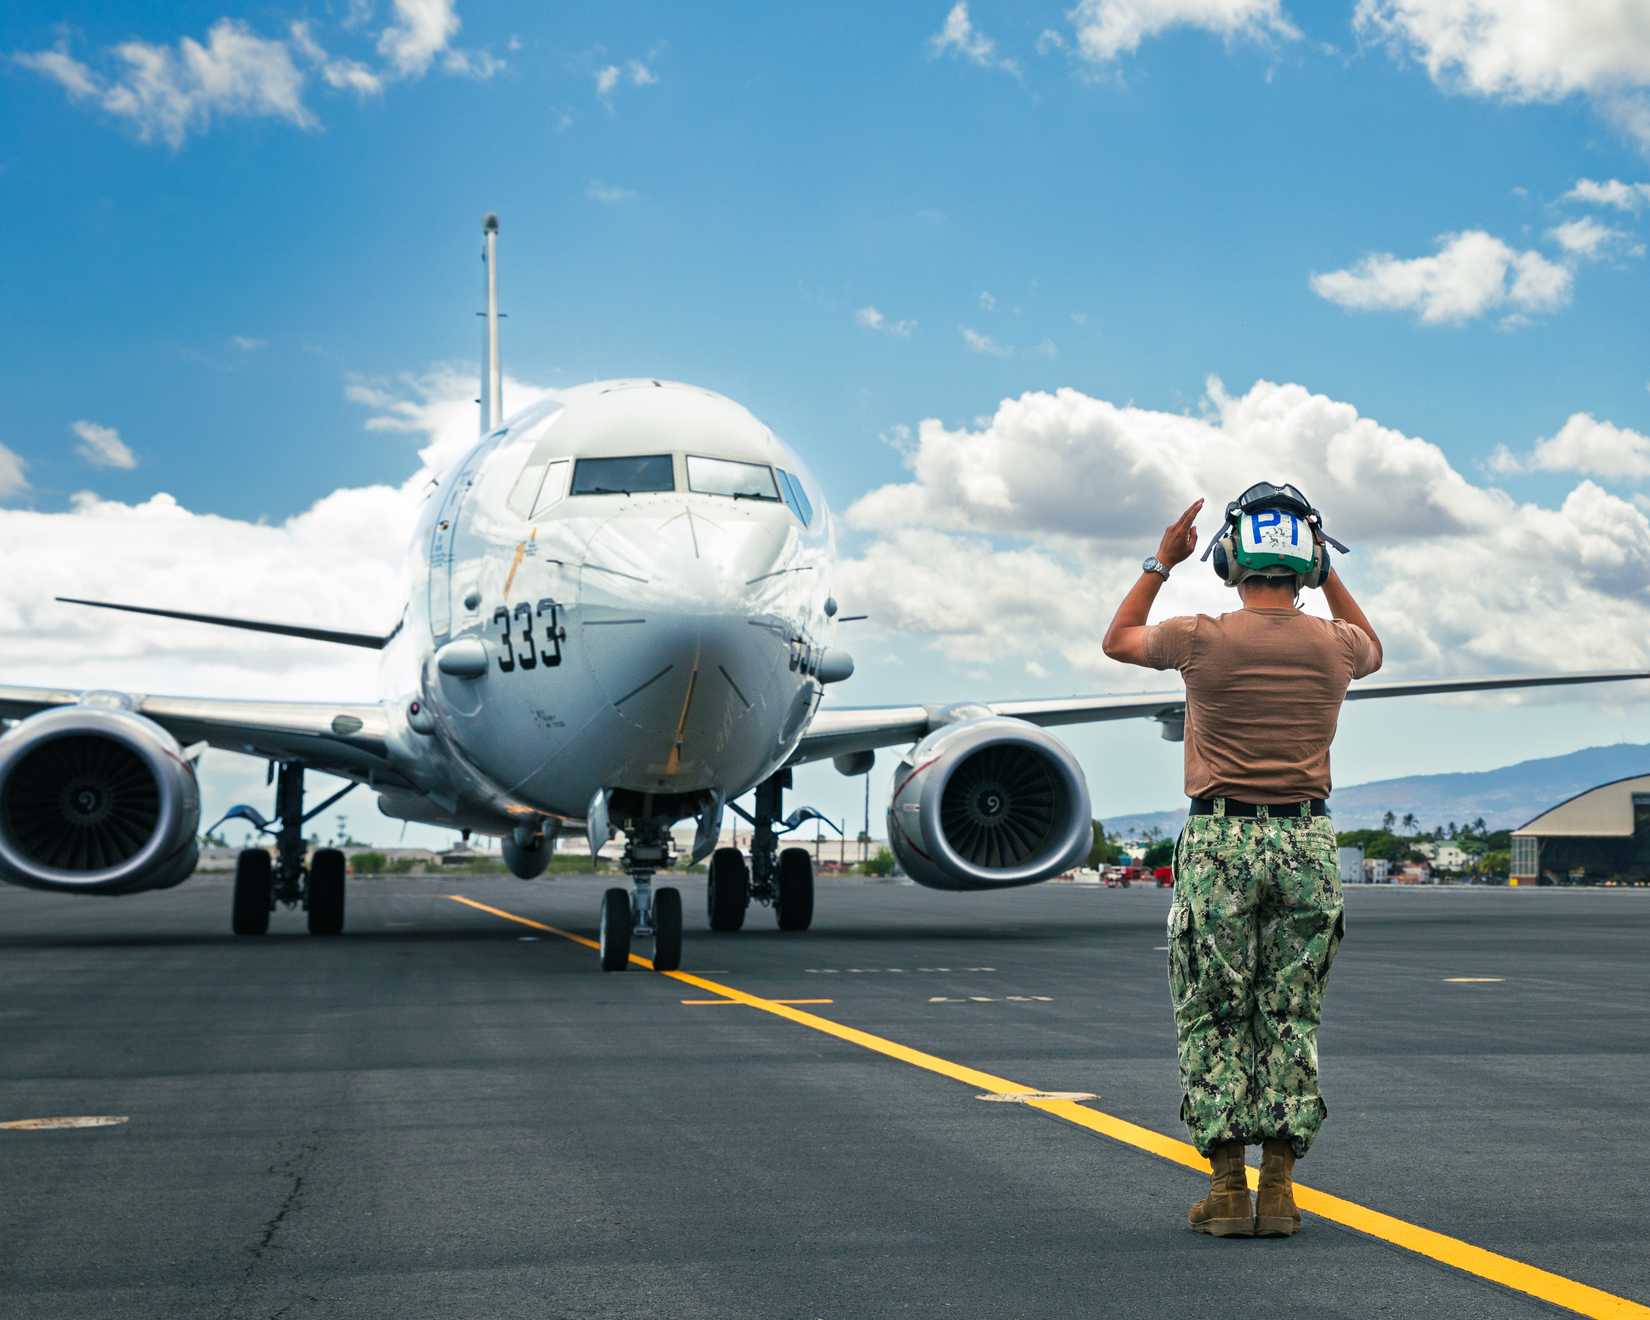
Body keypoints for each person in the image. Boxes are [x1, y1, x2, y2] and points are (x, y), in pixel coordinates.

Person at [1101, 492, 1382, 1238]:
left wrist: (1161, 559)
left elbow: (1118, 639)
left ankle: (1227, 1189)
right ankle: (1281, 1190)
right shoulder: (1337, 646)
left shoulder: (1201, 637)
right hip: (1306, 844)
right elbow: (1372, 643)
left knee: (1214, 1009)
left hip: (1221, 841)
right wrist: (1328, 574)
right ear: (1307, 565)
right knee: (1291, 1013)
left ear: (1230, 562)